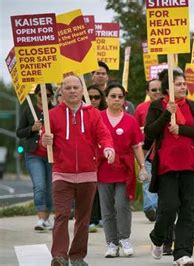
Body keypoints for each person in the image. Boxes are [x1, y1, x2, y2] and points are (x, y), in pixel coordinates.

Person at [42, 74, 115, 266]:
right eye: (68, 88)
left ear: (82, 90)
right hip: (61, 174)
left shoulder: (93, 113)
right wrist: (44, 141)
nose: (72, 91)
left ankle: (77, 256)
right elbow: (44, 144)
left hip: (88, 174)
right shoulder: (52, 115)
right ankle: (59, 255)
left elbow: (104, 135)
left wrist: (108, 148)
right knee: (62, 215)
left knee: (83, 219)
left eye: (76, 87)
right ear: (62, 92)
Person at [145, 69, 194, 265]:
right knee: (169, 206)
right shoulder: (157, 106)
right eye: (178, 84)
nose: (183, 87)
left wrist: (181, 129)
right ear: (168, 87)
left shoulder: (193, 106)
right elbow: (149, 132)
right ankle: (158, 236)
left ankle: (182, 253)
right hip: (167, 165)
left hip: (190, 164)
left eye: (183, 84)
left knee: (188, 209)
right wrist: (167, 115)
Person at [98, 83, 147, 258]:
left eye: (120, 96)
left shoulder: (130, 120)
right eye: (113, 96)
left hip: (125, 169)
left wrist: (142, 167)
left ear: (124, 100)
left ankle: (124, 238)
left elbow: (136, 146)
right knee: (107, 208)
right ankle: (111, 243)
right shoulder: (98, 118)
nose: (117, 99)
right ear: (106, 98)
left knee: (122, 204)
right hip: (103, 168)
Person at [16, 84, 54, 231]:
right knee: (39, 186)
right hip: (33, 155)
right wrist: (32, 128)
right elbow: (19, 132)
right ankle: (40, 218)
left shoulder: (55, 111)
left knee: (50, 189)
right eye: (40, 95)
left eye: (48, 95)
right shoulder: (28, 111)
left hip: (51, 155)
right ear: (36, 95)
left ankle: (46, 219)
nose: (44, 98)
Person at [134, 78, 161, 222]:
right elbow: (135, 129)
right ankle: (151, 207)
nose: (157, 93)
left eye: (159, 89)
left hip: (163, 150)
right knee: (147, 178)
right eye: (153, 90)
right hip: (146, 150)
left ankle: (159, 206)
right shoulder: (141, 108)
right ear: (147, 92)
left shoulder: (169, 106)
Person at [85, 85, 107, 233]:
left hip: (104, 156)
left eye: (97, 97)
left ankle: (101, 217)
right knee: (90, 188)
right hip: (88, 156)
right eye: (90, 97)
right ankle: (91, 219)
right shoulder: (81, 114)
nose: (93, 100)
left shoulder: (105, 114)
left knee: (103, 189)